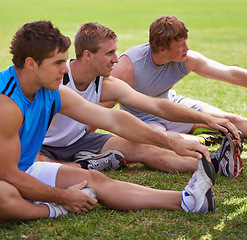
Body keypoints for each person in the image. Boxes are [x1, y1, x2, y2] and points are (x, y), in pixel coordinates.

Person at [0, 20, 217, 221]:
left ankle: (188, 200)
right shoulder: (7, 104)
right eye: (58, 63)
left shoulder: (52, 90)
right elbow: (9, 174)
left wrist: (171, 142)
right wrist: (64, 197)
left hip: (23, 168)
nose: (65, 69)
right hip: (9, 174)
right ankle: (52, 209)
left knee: (94, 179)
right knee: (4, 195)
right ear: (31, 63)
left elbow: (113, 119)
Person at [38, 23, 240, 177]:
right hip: (41, 146)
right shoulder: (55, 79)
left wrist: (205, 119)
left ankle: (215, 164)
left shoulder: (106, 84)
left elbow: (155, 106)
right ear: (88, 55)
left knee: (146, 149)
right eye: (110, 53)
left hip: (81, 141)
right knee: (33, 163)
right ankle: (84, 165)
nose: (116, 59)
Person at [109, 16, 246, 178]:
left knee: (230, 120)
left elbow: (230, 73)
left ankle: (203, 130)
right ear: (162, 49)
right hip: (143, 119)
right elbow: (102, 106)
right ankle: (202, 137)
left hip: (172, 105)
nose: (186, 48)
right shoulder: (129, 67)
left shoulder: (186, 59)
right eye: (181, 45)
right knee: (161, 144)